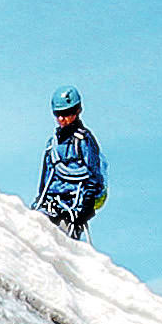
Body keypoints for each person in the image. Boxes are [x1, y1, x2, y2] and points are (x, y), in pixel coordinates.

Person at [35, 89, 106, 242]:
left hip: (72, 210)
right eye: (58, 114)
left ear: (77, 111)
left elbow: (93, 176)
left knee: (61, 247)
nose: (62, 119)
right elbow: (46, 177)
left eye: (66, 114)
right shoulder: (52, 144)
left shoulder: (84, 141)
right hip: (49, 205)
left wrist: (86, 209)